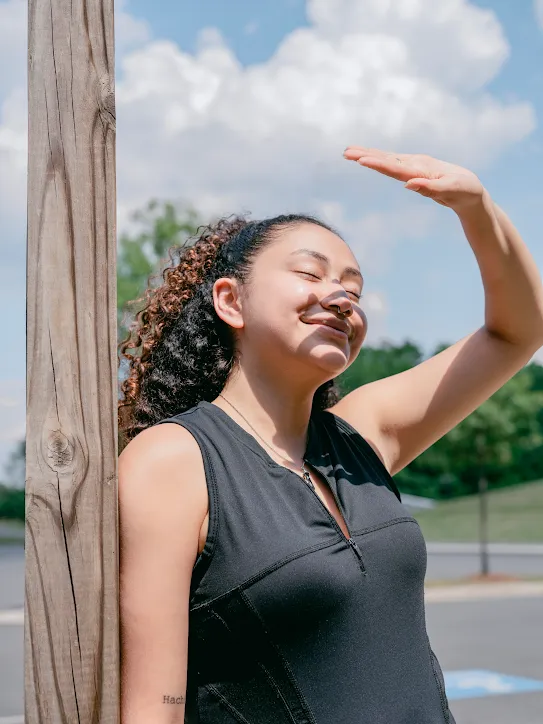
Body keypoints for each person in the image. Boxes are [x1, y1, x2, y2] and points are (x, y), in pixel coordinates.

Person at [117, 146, 543, 724]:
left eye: (354, 288)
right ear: (230, 301)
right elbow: (153, 709)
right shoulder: (174, 460)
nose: (342, 297)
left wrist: (478, 209)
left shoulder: (363, 435)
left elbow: (518, 331)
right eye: (309, 274)